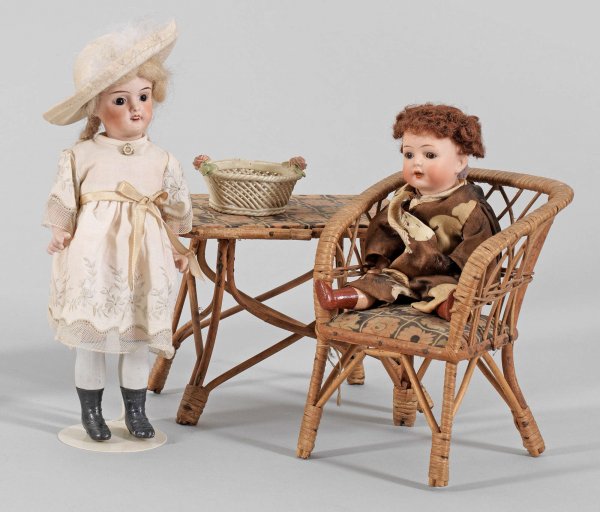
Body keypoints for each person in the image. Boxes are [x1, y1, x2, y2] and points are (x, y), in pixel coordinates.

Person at [43, 20, 201, 441]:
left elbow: (175, 205)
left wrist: (177, 245)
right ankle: (92, 412)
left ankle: (135, 410)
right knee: (92, 341)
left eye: (144, 97)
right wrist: (61, 230)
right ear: (96, 108)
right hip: (94, 258)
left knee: (136, 339)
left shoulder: (162, 159)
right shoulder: (81, 154)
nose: (136, 109)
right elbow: (64, 197)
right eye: (120, 100)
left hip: (144, 259)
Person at [315, 103, 500, 320]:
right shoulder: (404, 198)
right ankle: (340, 298)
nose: (416, 162)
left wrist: (465, 277)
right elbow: (386, 228)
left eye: (430, 155)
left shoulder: (469, 205)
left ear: (459, 162)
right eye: (409, 154)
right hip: (402, 273)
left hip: (445, 274)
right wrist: (380, 261)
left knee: (444, 292)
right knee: (376, 284)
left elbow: (481, 248)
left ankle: (449, 308)